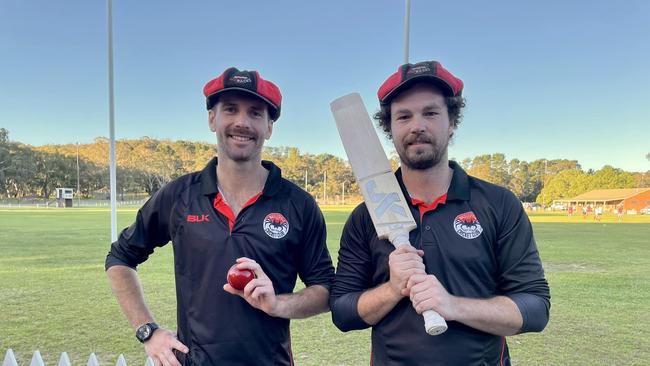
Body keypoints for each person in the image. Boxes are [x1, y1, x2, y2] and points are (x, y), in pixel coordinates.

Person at [105, 67, 334, 366]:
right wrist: (148, 330)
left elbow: (326, 289)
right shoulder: (180, 196)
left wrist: (277, 303)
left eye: (255, 113)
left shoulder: (298, 204)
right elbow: (120, 257)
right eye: (230, 110)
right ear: (212, 119)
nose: (242, 122)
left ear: (269, 127)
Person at [330, 60, 550, 365]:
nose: (417, 125)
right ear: (390, 128)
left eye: (430, 113)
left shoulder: (498, 204)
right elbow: (342, 312)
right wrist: (393, 289)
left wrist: (452, 306)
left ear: (452, 121)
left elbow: (535, 308)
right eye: (403, 116)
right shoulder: (364, 216)